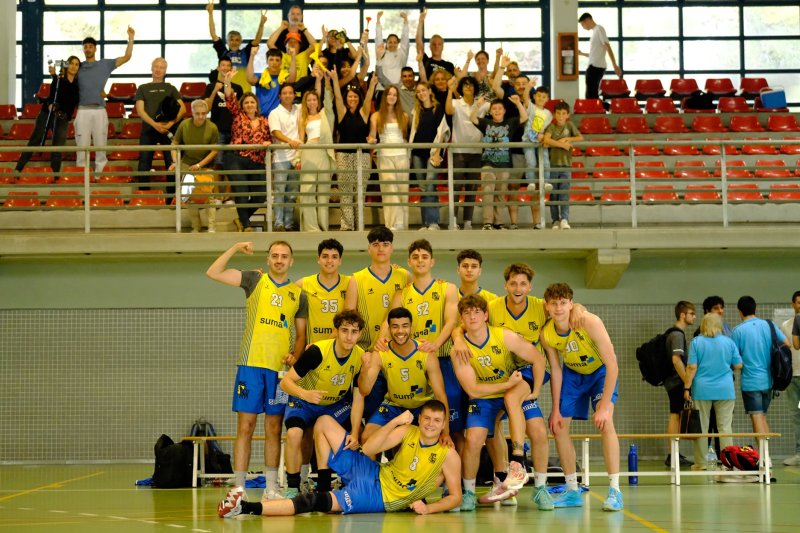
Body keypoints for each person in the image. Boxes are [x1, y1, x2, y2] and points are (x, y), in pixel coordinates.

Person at [217, 400, 461, 517]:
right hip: (374, 471)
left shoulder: (447, 455)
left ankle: (244, 507)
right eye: (426, 419)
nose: (430, 425)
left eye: (436, 421)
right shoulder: (410, 431)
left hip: (378, 497)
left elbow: (455, 497)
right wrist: (396, 421)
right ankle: (324, 481)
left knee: (313, 501)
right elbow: (368, 449)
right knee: (323, 423)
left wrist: (428, 508)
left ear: (443, 424)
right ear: (421, 418)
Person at [206, 241, 308, 501]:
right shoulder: (254, 280)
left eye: (284, 256)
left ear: (291, 261)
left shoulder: (299, 295)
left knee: (274, 429)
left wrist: (294, 356)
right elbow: (213, 272)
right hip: (251, 365)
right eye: (274, 255)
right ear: (268, 259)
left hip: (278, 372)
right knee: (246, 427)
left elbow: (301, 335)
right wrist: (236, 247)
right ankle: (239, 488)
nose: (279, 260)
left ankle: (272, 488)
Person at [452, 294, 545, 512]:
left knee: (538, 429)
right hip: (489, 393)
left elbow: (538, 359)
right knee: (474, 440)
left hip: (514, 387)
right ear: (462, 319)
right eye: (467, 313)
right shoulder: (460, 349)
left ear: (486, 315)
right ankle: (469, 493)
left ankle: (521, 465)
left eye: (477, 312)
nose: (472, 316)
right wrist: (506, 385)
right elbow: (473, 389)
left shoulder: (504, 336)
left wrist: (536, 390)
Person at [540, 282, 623, 512]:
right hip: (573, 375)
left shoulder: (589, 322)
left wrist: (604, 406)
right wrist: (555, 408)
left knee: (606, 423)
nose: (558, 308)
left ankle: (615, 490)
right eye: (554, 304)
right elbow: (556, 370)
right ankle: (572, 490)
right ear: (547, 306)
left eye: (563, 303)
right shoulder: (546, 334)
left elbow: (612, 364)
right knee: (558, 427)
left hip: (600, 372)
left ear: (571, 304)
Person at [279, 309, 367, 498]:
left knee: (358, 431)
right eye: (344, 330)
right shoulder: (317, 352)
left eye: (354, 331)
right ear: (336, 331)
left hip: (334, 404)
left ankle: (341, 482)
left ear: (360, 334)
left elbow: (358, 396)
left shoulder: (361, 357)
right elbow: (285, 382)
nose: (349, 336)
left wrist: (355, 432)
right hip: (304, 399)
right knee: (294, 433)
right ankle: (293, 487)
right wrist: (306, 394)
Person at [344, 226, 410, 419]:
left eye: (385, 244)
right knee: (371, 415)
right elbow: (349, 319)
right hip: (367, 356)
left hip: (397, 355)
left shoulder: (405, 276)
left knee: (399, 415)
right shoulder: (357, 279)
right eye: (376, 244)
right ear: (369, 249)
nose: (381, 248)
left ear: (392, 248)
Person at [359, 307, 449, 446]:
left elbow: (441, 396)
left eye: (405, 326)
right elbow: (364, 391)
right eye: (395, 327)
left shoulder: (426, 352)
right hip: (394, 405)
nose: (400, 331)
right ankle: (377, 468)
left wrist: (446, 432)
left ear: (411, 328)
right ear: (389, 329)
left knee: (426, 441)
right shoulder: (381, 352)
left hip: (421, 405)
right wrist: (364, 369)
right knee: (366, 438)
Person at [683, 313, 743, 468]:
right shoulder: (729, 343)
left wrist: (687, 387)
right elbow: (738, 365)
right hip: (725, 389)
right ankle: (727, 462)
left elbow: (691, 367)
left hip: (702, 389)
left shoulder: (696, 342)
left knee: (702, 427)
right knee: (725, 427)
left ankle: (701, 463)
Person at [731, 296, 789, 452]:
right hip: (769, 381)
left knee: (756, 417)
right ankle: (766, 454)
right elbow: (787, 344)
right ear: (755, 308)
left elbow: (734, 359)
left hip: (750, 382)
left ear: (739, 311)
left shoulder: (738, 331)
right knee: (762, 417)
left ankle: (764, 457)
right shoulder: (768, 325)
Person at [75, 28, 134, 173]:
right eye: (85, 47)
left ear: (95, 49)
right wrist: (53, 67)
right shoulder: (77, 66)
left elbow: (127, 57)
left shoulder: (104, 64)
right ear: (83, 50)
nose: (88, 49)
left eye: (90, 46)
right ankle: (81, 175)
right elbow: (59, 69)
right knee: (82, 145)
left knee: (101, 144)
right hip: (82, 110)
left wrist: (131, 38)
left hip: (100, 110)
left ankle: (99, 174)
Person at [222, 68, 271, 232]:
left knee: (260, 196)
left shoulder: (264, 121)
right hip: (237, 158)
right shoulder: (238, 116)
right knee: (241, 192)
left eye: (252, 102)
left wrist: (267, 143)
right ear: (242, 105)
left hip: (257, 161)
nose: (250, 105)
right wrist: (227, 81)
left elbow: (268, 139)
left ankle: (241, 219)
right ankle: (247, 225)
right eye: (246, 102)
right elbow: (229, 98)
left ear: (257, 105)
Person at [470, 93, 527, 231]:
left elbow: (524, 117)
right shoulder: (486, 123)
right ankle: (487, 223)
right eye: (494, 109)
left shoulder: (510, 123)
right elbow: (472, 118)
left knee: (500, 194)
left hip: (504, 164)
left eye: (499, 108)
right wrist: (478, 105)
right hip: (488, 163)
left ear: (504, 111)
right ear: (490, 111)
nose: (497, 111)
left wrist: (518, 103)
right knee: (488, 191)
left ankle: (498, 222)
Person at [15, 57, 80, 175]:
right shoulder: (59, 79)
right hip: (47, 113)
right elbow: (53, 93)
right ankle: (17, 170)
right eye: (71, 63)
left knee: (57, 148)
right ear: (67, 65)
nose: (74, 66)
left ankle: (55, 177)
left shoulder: (77, 85)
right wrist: (54, 75)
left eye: (76, 64)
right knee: (35, 140)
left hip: (63, 118)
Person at [330, 68, 376, 231]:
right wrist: (335, 79)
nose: (352, 99)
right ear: (346, 98)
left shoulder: (364, 113)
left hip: (362, 157)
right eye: (350, 96)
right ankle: (347, 225)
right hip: (343, 156)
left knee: (360, 192)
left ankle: (360, 225)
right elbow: (336, 97)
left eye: (355, 97)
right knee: (346, 192)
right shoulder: (342, 113)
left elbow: (369, 97)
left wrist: (372, 85)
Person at [169, 100, 219, 233]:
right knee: (190, 197)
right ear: (192, 113)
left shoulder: (212, 127)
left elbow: (214, 150)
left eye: (204, 114)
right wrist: (175, 161)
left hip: (206, 165)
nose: (201, 117)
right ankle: (196, 226)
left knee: (209, 197)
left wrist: (199, 165)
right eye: (198, 114)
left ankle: (211, 226)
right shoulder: (184, 125)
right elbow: (174, 144)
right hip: (188, 163)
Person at [135, 57, 185, 188]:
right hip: (149, 129)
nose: (158, 70)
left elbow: (183, 109)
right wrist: (155, 124)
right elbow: (140, 110)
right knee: (144, 162)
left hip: (168, 130)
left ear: (165, 70)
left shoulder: (171, 88)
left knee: (171, 162)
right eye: (156, 67)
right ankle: (143, 194)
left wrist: (170, 124)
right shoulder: (142, 88)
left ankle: (172, 197)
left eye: (161, 67)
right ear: (151, 69)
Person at [445, 77, 488, 230]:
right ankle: (453, 219)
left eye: (471, 85)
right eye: (465, 85)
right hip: (459, 151)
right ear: (461, 88)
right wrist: (450, 89)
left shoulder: (482, 104)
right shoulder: (456, 103)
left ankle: (468, 221)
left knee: (472, 188)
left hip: (476, 151)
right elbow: (448, 110)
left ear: (475, 88)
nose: (468, 87)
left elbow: (497, 109)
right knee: (456, 187)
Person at [297, 68, 335, 232]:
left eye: (314, 99)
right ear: (306, 102)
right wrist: (297, 159)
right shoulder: (303, 118)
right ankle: (311, 228)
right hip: (309, 153)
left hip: (324, 153)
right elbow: (300, 139)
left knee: (323, 194)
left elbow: (328, 99)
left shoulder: (326, 114)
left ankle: (323, 227)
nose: (312, 102)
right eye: (309, 100)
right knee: (307, 192)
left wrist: (326, 80)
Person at [367, 85, 410, 232]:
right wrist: (371, 140)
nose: (392, 97)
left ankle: (403, 224)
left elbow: (405, 137)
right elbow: (372, 135)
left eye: (395, 95)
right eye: (389, 94)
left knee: (402, 190)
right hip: (385, 154)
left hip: (402, 155)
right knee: (390, 190)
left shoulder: (404, 116)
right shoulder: (376, 116)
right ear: (385, 97)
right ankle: (392, 224)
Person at [410, 82, 449, 230]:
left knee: (430, 183)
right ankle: (425, 222)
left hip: (433, 153)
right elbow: (413, 132)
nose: (421, 93)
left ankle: (433, 222)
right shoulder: (417, 110)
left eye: (423, 90)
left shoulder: (438, 108)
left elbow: (443, 132)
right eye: (418, 91)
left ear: (429, 91)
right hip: (417, 153)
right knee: (423, 187)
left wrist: (438, 151)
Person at [206, 0, 267, 95]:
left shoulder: (245, 53)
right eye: (231, 39)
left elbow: (257, 41)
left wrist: (262, 24)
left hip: (244, 93)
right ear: (227, 41)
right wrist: (210, 14)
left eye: (237, 40)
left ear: (241, 41)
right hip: (227, 92)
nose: (234, 42)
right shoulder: (223, 52)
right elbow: (213, 34)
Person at [663, 301, 696, 468]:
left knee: (675, 414)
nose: (694, 317)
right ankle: (673, 454)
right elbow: (676, 360)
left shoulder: (677, 333)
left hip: (674, 381)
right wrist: (686, 383)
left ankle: (674, 453)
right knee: (675, 415)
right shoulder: (677, 335)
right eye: (691, 313)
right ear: (682, 315)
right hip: (676, 381)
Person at [543, 101, 582, 230]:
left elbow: (580, 137)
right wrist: (562, 144)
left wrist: (568, 139)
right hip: (553, 165)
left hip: (566, 165)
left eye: (563, 113)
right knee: (553, 194)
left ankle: (564, 219)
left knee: (564, 193)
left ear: (568, 115)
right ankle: (555, 220)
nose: (560, 116)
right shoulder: (551, 127)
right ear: (554, 114)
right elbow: (546, 140)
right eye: (558, 113)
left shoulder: (569, 125)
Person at [268, 84, 301, 231]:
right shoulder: (274, 113)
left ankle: (288, 224)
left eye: (290, 93)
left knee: (292, 195)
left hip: (297, 158)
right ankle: (279, 224)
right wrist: (290, 142)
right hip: (281, 158)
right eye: (284, 93)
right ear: (279, 96)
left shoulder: (299, 110)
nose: (288, 95)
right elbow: (276, 132)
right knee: (280, 193)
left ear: (294, 95)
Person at [521, 84, 553, 229]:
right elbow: (525, 98)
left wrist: (544, 137)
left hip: (541, 142)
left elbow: (547, 129)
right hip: (528, 140)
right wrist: (528, 87)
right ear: (535, 97)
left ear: (547, 99)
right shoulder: (531, 107)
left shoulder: (548, 114)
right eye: (538, 96)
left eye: (544, 97)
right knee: (531, 162)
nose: (541, 98)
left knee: (545, 162)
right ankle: (531, 182)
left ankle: (545, 182)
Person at [577, 13, 622, 100]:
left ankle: (605, 108)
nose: (583, 27)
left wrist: (615, 65)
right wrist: (582, 53)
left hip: (596, 67)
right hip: (594, 66)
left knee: (591, 95)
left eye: (582, 24)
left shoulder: (599, 29)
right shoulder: (595, 31)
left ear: (587, 20)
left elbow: (607, 47)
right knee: (591, 94)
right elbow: (595, 54)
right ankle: (602, 109)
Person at [781, 291, 800, 466]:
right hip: (793, 377)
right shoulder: (786, 326)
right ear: (793, 304)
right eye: (799, 303)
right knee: (796, 415)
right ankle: (799, 453)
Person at [267, 20, 316, 87]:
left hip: (300, 92)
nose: (292, 44)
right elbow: (270, 43)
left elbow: (314, 45)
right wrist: (281, 28)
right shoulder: (281, 55)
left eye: (295, 42)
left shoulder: (304, 55)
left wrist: (304, 30)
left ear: (299, 46)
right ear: (285, 46)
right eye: (289, 42)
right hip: (283, 92)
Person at [374, 10, 410, 88]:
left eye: (395, 42)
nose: (392, 44)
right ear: (386, 43)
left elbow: (405, 39)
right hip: (382, 88)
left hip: (399, 88)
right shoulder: (382, 52)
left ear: (398, 44)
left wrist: (406, 21)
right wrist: (378, 21)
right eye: (390, 42)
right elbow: (378, 38)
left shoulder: (401, 53)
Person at [415, 9, 455, 78]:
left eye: (439, 44)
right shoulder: (425, 60)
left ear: (443, 47)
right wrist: (420, 22)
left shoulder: (449, 65)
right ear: (430, 47)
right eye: (434, 44)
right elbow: (419, 43)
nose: (436, 46)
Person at [245, 46, 282, 117]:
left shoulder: (283, 78)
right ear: (267, 61)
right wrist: (252, 55)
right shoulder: (261, 76)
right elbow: (249, 79)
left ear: (281, 62)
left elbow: (292, 78)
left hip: (278, 117)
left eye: (277, 60)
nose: (274, 63)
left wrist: (293, 57)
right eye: (271, 60)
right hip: (260, 116)